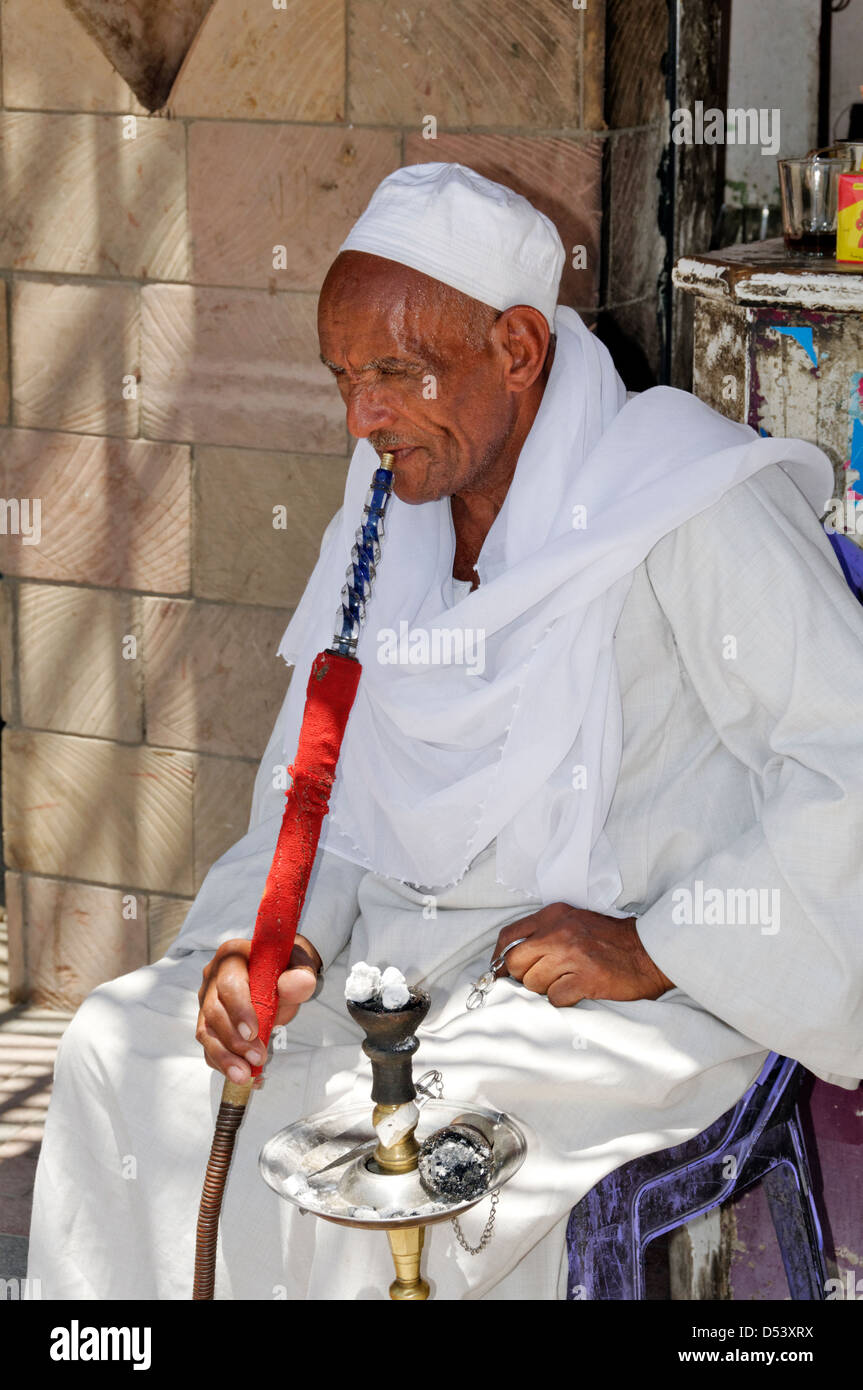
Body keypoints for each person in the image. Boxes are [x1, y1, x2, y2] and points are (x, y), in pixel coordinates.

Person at [28, 163, 863, 1301]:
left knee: (387, 1171)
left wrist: (655, 946)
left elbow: (845, 759)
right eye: (341, 378)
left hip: (616, 991)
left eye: (391, 373)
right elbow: (316, 787)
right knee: (124, 1052)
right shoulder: (387, 505)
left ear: (516, 349)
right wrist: (280, 944)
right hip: (388, 957)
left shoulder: (686, 498)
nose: (359, 416)